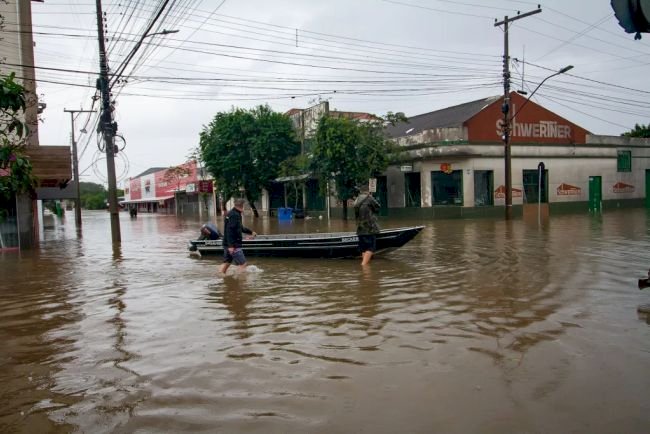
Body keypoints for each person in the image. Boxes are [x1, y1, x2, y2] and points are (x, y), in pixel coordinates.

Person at [219, 198, 257, 274]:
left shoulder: (233, 213)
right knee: (243, 264)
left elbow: (240, 227)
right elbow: (230, 231)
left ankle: (221, 277)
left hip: (228, 243)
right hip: (234, 244)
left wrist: (251, 232)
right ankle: (238, 281)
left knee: (227, 262)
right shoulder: (234, 215)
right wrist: (231, 246)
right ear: (242, 206)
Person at [354, 185, 381, 266]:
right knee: (370, 248)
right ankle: (364, 266)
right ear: (368, 191)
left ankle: (365, 268)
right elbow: (378, 207)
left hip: (360, 228)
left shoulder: (356, 200)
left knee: (363, 248)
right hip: (370, 228)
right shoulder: (369, 198)